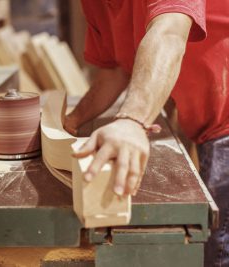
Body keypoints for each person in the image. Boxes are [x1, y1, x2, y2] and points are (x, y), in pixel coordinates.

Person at [64, 1, 229, 266]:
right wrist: (70, 121)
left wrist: (131, 120)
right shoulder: (95, 5)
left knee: (219, 252)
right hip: (208, 124)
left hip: (225, 126)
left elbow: (170, 30)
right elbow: (115, 70)